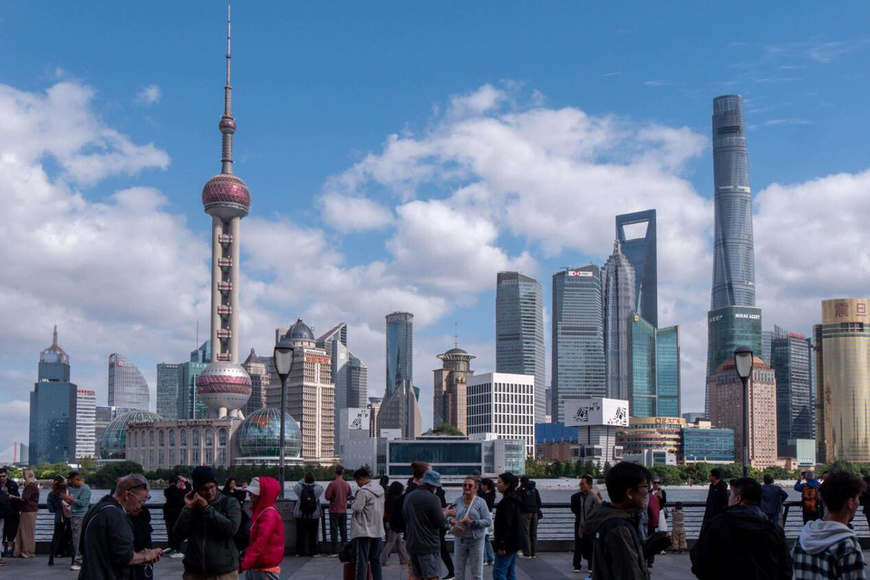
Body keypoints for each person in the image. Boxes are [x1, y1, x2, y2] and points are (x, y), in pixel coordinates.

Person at [690, 477, 791, 580]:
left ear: (737, 499)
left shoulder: (716, 525)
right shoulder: (775, 531)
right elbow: (785, 570)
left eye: (731, 495)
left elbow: (700, 563)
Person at [585, 462, 671, 580]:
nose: (647, 492)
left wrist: (652, 545)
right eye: (645, 487)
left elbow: (622, 558)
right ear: (630, 493)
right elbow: (629, 571)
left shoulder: (606, 517)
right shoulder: (618, 528)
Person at [78, 474, 164, 580]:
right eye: (140, 501)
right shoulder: (117, 516)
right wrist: (147, 556)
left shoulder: (95, 508)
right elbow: (125, 557)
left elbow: (83, 548)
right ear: (127, 495)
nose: (140, 506)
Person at [793, 470, 867, 580]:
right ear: (850, 502)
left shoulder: (801, 540)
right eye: (857, 498)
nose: (859, 503)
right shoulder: (848, 547)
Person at [174, 465, 242, 580]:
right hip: (194, 572)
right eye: (204, 489)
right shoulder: (191, 508)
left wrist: (206, 509)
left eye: (212, 487)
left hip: (223, 572)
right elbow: (177, 535)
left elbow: (231, 528)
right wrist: (189, 509)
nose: (210, 492)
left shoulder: (230, 503)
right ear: (196, 491)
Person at [403, 470, 455, 580]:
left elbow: (406, 517)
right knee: (432, 577)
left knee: (416, 576)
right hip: (428, 546)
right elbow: (441, 523)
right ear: (433, 486)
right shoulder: (433, 499)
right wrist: (445, 514)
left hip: (412, 544)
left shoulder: (409, 496)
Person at [239, 477, 284, 580]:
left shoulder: (267, 514)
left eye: (252, 492)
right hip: (258, 566)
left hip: (263, 568)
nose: (249, 495)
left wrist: (243, 564)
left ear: (262, 494)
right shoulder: (261, 511)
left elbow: (260, 543)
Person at [450, 476, 491, 580]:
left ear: (475, 488)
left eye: (470, 485)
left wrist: (474, 522)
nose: (467, 487)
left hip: (476, 541)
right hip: (460, 540)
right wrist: (451, 521)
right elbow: (451, 515)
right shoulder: (457, 501)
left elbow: (488, 521)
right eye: (465, 485)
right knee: (458, 572)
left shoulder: (480, 502)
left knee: (477, 574)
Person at [350, 467, 385, 580]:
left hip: (364, 530)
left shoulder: (363, 491)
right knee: (375, 560)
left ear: (361, 479)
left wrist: (352, 504)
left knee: (362, 561)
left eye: (357, 481)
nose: (357, 484)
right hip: (378, 530)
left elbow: (358, 507)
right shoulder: (380, 489)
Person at [492, 472, 524, 580]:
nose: (497, 485)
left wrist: (502, 544)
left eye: (500, 482)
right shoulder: (515, 500)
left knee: (499, 572)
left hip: (507, 544)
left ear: (507, 485)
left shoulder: (506, 502)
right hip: (514, 542)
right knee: (510, 571)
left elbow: (506, 524)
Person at [570, 474, 602, 573]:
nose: (580, 486)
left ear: (589, 485)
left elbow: (599, 511)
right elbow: (581, 513)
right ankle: (580, 565)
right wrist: (581, 528)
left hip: (591, 526)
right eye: (580, 484)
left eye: (582, 484)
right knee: (580, 545)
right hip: (582, 524)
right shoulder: (581, 497)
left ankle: (590, 566)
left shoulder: (593, 497)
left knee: (590, 545)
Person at [325, 465, 353, 556]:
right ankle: (345, 550)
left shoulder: (332, 484)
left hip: (333, 510)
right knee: (343, 531)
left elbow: (327, 497)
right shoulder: (346, 484)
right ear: (343, 472)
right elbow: (350, 495)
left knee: (334, 531)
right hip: (343, 510)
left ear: (335, 472)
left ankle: (334, 551)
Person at [294, 471, 324, 557]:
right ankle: (313, 552)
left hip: (301, 514)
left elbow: (296, 486)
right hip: (314, 514)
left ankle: (299, 552)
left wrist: (302, 480)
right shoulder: (317, 489)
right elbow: (321, 487)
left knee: (300, 534)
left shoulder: (300, 488)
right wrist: (313, 481)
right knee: (313, 534)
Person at [381, 481, 409, 568]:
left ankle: (404, 559)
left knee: (398, 541)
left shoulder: (388, 499)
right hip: (395, 523)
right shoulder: (399, 499)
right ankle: (382, 560)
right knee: (391, 542)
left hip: (388, 522)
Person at [163, 474, 190, 558]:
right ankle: (177, 549)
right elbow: (189, 490)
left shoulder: (166, 491)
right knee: (177, 532)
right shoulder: (180, 492)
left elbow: (171, 490)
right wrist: (185, 481)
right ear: (177, 482)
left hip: (168, 514)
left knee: (170, 531)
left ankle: (171, 547)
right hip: (178, 514)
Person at [12, 468, 37, 558]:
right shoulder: (33, 485)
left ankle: (27, 551)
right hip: (28, 511)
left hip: (28, 511)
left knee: (26, 532)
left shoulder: (30, 486)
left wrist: (13, 497)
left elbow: (24, 498)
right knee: (23, 531)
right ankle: (20, 551)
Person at [47, 475, 72, 566]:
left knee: (56, 537)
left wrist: (57, 508)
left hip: (59, 517)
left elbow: (50, 508)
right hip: (70, 516)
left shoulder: (52, 493)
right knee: (71, 537)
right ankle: (73, 559)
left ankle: (51, 558)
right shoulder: (70, 491)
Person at [518, 476, 541, 558]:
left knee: (526, 532)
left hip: (525, 512)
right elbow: (539, 502)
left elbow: (519, 501)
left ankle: (527, 552)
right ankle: (534, 552)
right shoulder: (534, 490)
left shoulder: (521, 490)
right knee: (533, 533)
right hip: (535, 512)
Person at [0, 467, 19, 559]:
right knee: (2, 531)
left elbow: (17, 496)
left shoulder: (12, 484)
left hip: (11, 511)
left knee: (11, 530)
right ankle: (2, 549)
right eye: (0, 477)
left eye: (3, 476)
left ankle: (9, 549)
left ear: (6, 475)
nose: (2, 478)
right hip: (2, 512)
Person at [701, 468, 728, 532]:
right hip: (710, 513)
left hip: (717, 514)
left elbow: (725, 500)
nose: (709, 477)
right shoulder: (712, 486)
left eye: (710, 475)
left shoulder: (722, 487)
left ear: (714, 476)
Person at [477, 478, 496, 567]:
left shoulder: (483, 496)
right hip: (490, 516)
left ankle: (484, 559)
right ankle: (491, 558)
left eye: (482, 485)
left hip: (484, 517)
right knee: (487, 539)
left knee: (482, 538)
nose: (481, 487)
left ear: (485, 486)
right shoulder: (491, 494)